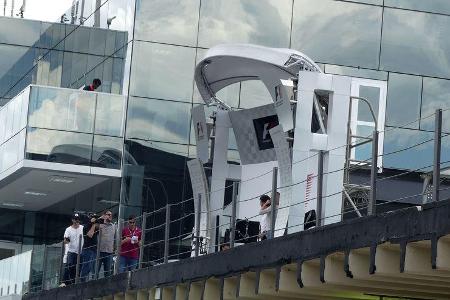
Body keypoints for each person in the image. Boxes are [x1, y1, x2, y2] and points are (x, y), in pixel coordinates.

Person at [62, 213, 84, 285]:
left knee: (79, 267)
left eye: (78, 219)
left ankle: (74, 282)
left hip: (80, 252)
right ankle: (65, 282)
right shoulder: (68, 229)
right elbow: (65, 240)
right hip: (71, 251)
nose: (77, 221)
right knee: (70, 266)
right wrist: (66, 240)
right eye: (75, 219)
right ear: (72, 220)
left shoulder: (82, 228)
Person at [80, 214, 99, 282]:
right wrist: (93, 224)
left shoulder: (95, 227)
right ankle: (82, 280)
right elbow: (90, 235)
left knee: (91, 266)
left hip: (94, 249)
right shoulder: (86, 226)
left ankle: (84, 279)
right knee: (87, 266)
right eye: (94, 218)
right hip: (87, 249)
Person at [97, 210, 115, 278]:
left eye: (111, 215)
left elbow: (115, 238)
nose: (110, 216)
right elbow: (93, 223)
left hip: (109, 252)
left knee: (108, 273)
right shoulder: (99, 225)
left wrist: (114, 249)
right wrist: (100, 218)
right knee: (95, 272)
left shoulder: (113, 226)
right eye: (108, 214)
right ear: (104, 215)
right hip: (99, 252)